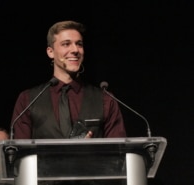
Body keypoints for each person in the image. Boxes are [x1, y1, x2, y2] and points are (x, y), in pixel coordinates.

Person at [10, 20, 126, 185]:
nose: (75, 50)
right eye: (66, 44)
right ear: (50, 52)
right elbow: (19, 158)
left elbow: (119, 156)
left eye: (79, 44)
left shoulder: (105, 99)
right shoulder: (28, 99)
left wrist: (92, 153)